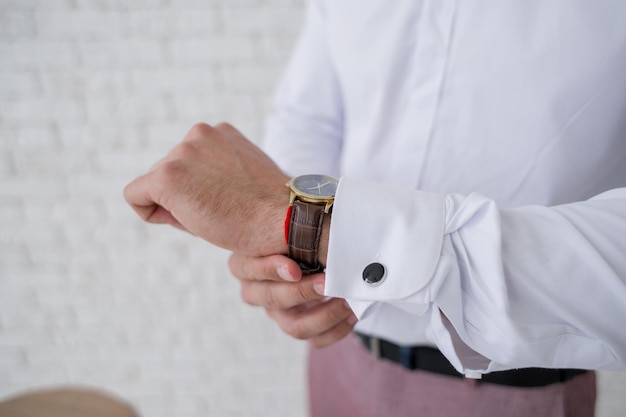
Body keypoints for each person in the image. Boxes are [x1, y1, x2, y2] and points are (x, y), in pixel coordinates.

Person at [125, 1, 626, 416]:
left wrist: (321, 230)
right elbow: (310, 116)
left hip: (512, 391)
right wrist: (291, 256)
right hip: (340, 359)